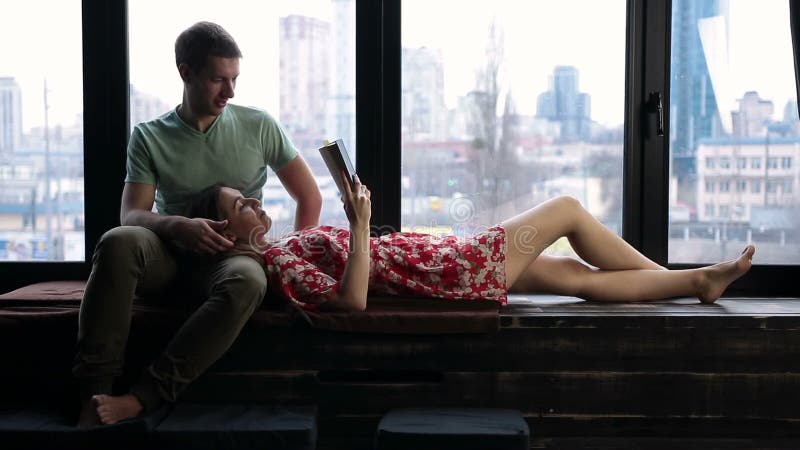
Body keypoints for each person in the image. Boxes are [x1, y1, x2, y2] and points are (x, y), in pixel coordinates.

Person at [73, 22, 322, 427]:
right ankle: (93, 394)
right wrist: (177, 226)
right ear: (186, 73)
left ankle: (143, 397)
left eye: (235, 79)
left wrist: (289, 262)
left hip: (231, 259)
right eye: (218, 79)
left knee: (249, 281)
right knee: (119, 240)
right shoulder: (150, 136)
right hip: (169, 256)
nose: (230, 91)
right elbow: (132, 214)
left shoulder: (259, 125)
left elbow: (309, 197)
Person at [184, 175, 755, 314]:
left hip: (444, 264)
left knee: (575, 275)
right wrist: (359, 224)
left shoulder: (283, 245)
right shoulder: (277, 260)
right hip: (451, 269)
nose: (256, 205)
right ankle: (683, 274)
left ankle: (697, 281)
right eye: (240, 207)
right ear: (220, 232)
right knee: (567, 210)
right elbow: (351, 303)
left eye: (251, 198)